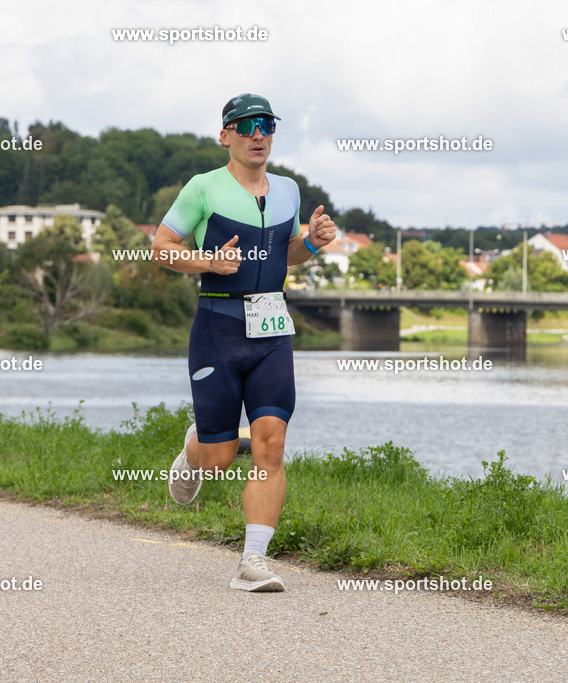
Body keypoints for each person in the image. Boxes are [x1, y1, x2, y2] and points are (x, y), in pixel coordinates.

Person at [151, 93, 335, 591]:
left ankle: (253, 562)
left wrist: (313, 240)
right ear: (225, 134)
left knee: (271, 443)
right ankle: (194, 449)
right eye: (247, 125)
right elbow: (162, 249)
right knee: (219, 457)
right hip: (218, 327)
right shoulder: (202, 188)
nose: (259, 134)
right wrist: (208, 262)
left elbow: (288, 254)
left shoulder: (289, 190)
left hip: (272, 330)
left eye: (267, 125)